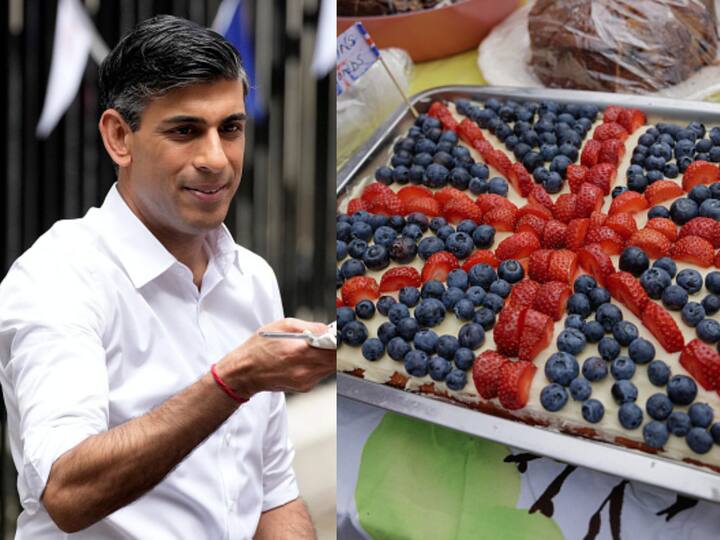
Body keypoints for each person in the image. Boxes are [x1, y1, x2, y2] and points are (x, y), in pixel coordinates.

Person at [0, 15, 334, 539]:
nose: (216, 159)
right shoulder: (58, 278)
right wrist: (233, 381)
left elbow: (272, 494)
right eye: (185, 131)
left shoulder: (253, 278)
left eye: (231, 128)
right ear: (118, 137)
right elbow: (66, 492)